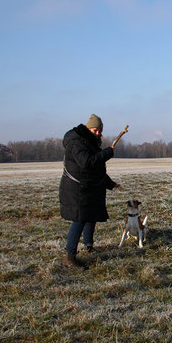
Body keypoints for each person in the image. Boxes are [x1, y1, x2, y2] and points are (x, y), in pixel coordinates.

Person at [59, 114, 120, 269]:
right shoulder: (76, 142)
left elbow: (96, 170)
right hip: (77, 188)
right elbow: (86, 162)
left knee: (90, 216)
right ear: (88, 128)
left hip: (87, 186)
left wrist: (110, 184)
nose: (98, 133)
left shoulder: (89, 141)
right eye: (95, 130)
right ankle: (69, 256)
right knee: (79, 219)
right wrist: (107, 153)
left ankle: (88, 245)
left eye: (100, 131)